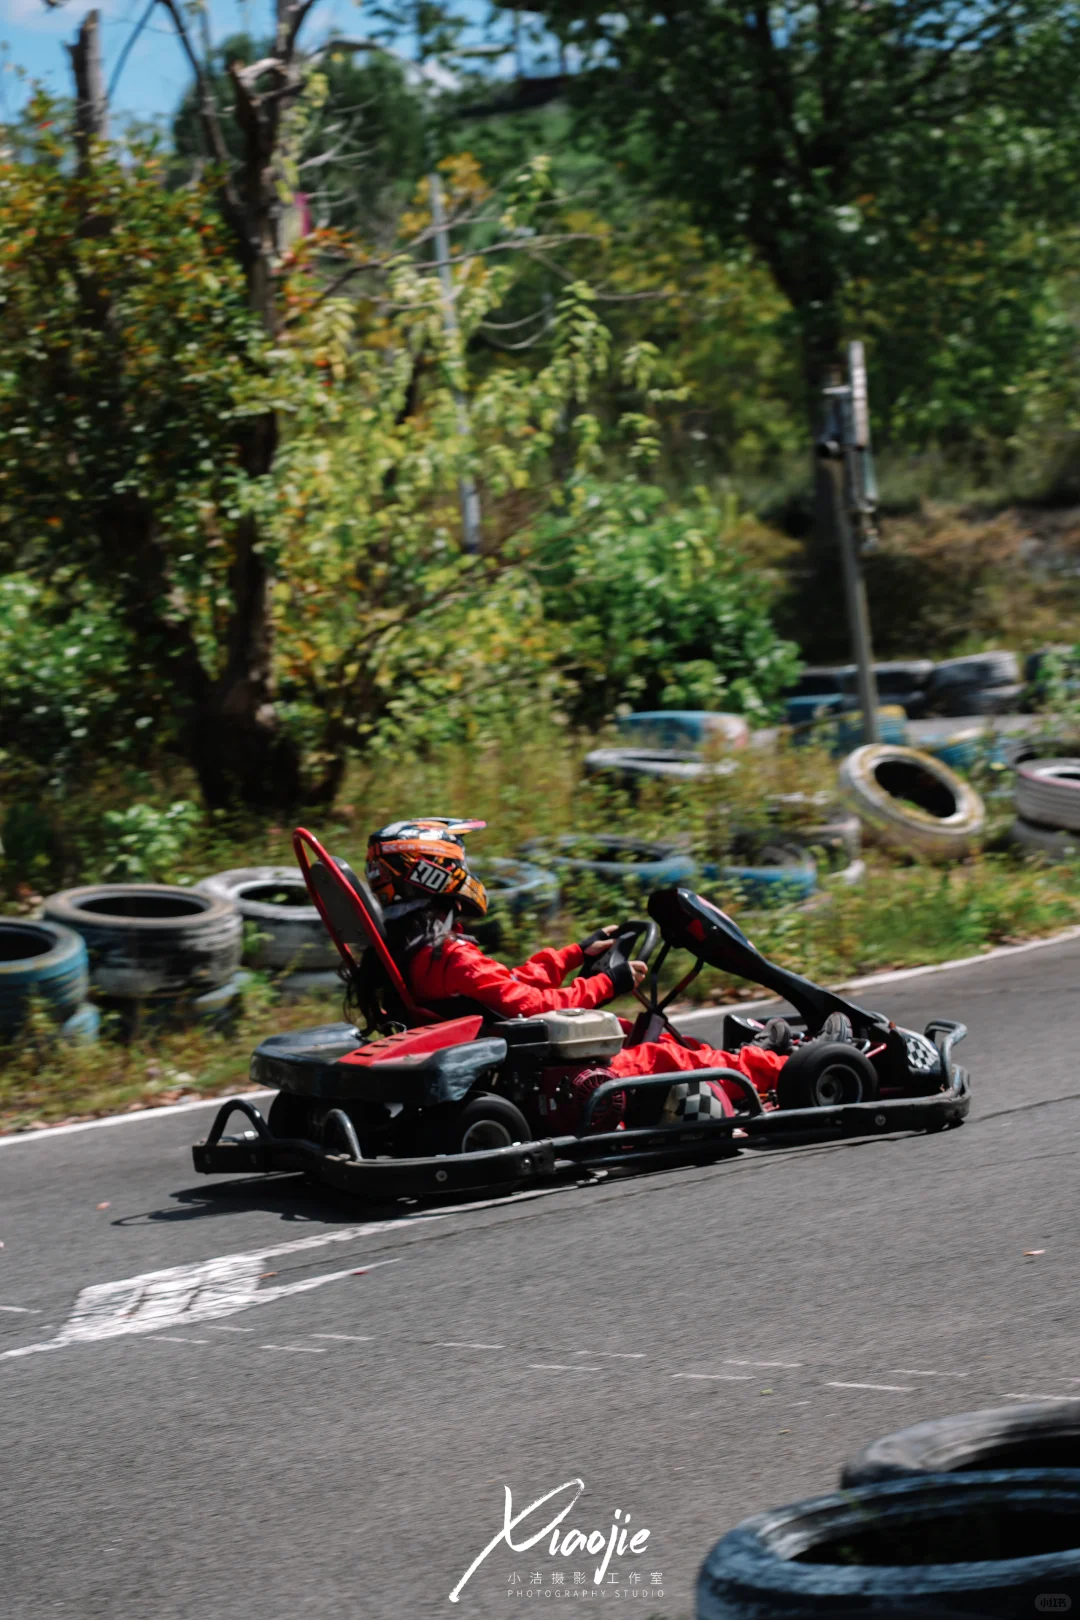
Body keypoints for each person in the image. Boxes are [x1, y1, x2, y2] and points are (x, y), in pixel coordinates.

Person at [364, 816, 806, 1106]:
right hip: (541, 1068)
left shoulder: (413, 950)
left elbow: (506, 986)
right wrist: (606, 984)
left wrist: (575, 954)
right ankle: (791, 1069)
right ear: (435, 873)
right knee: (664, 1057)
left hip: (511, 1055)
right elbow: (532, 1008)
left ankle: (754, 1056)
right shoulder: (450, 954)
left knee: (652, 1037)